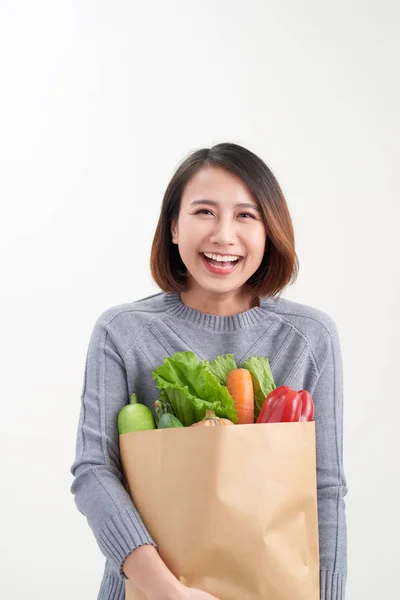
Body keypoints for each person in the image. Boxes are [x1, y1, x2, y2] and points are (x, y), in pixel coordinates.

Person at [70, 142, 348, 600]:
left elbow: (325, 488)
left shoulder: (309, 337)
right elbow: (94, 471)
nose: (224, 235)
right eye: (204, 212)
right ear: (174, 228)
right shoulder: (122, 332)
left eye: (246, 215)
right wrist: (165, 590)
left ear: (270, 231)